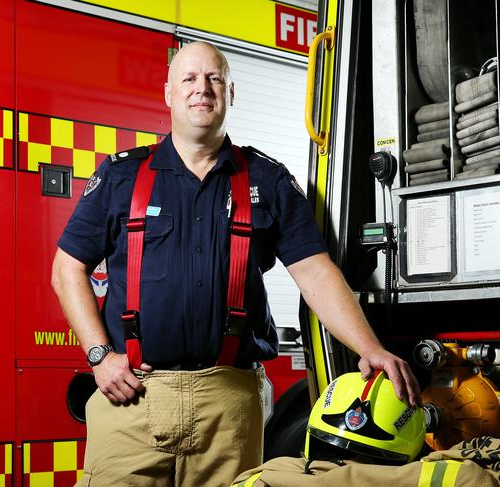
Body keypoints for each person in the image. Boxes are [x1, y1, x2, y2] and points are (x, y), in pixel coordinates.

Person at [51, 41, 421, 487]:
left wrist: (370, 348)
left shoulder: (269, 180)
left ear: (230, 91)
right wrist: (99, 355)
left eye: (213, 79)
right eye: (188, 79)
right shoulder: (120, 176)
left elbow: (315, 273)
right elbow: (66, 268)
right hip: (131, 399)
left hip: (228, 405)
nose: (201, 89)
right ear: (168, 93)